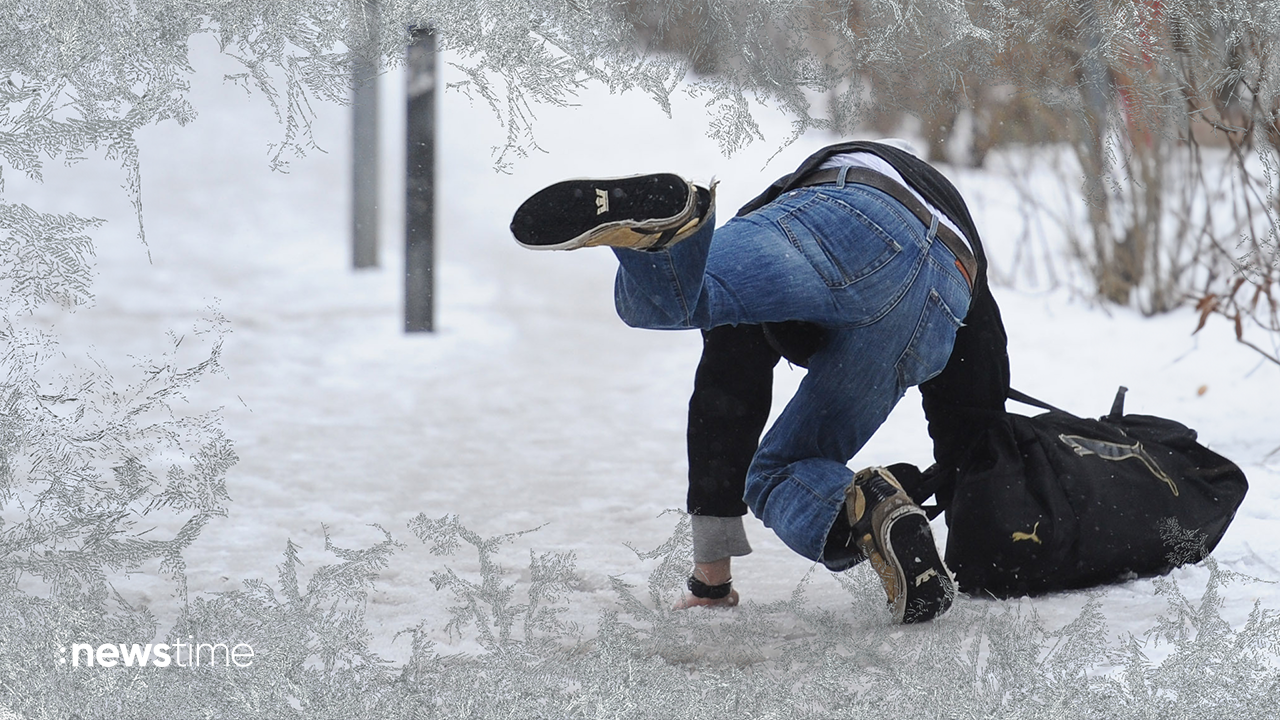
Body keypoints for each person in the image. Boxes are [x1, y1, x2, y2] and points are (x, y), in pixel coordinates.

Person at [510, 139, 1008, 624]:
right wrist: (980, 534)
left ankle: (667, 236)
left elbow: (726, 394)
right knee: (782, 467)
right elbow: (973, 402)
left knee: (669, 297)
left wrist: (712, 577)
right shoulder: (967, 292)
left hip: (845, 206)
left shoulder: (774, 221)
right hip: (950, 281)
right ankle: (875, 508)